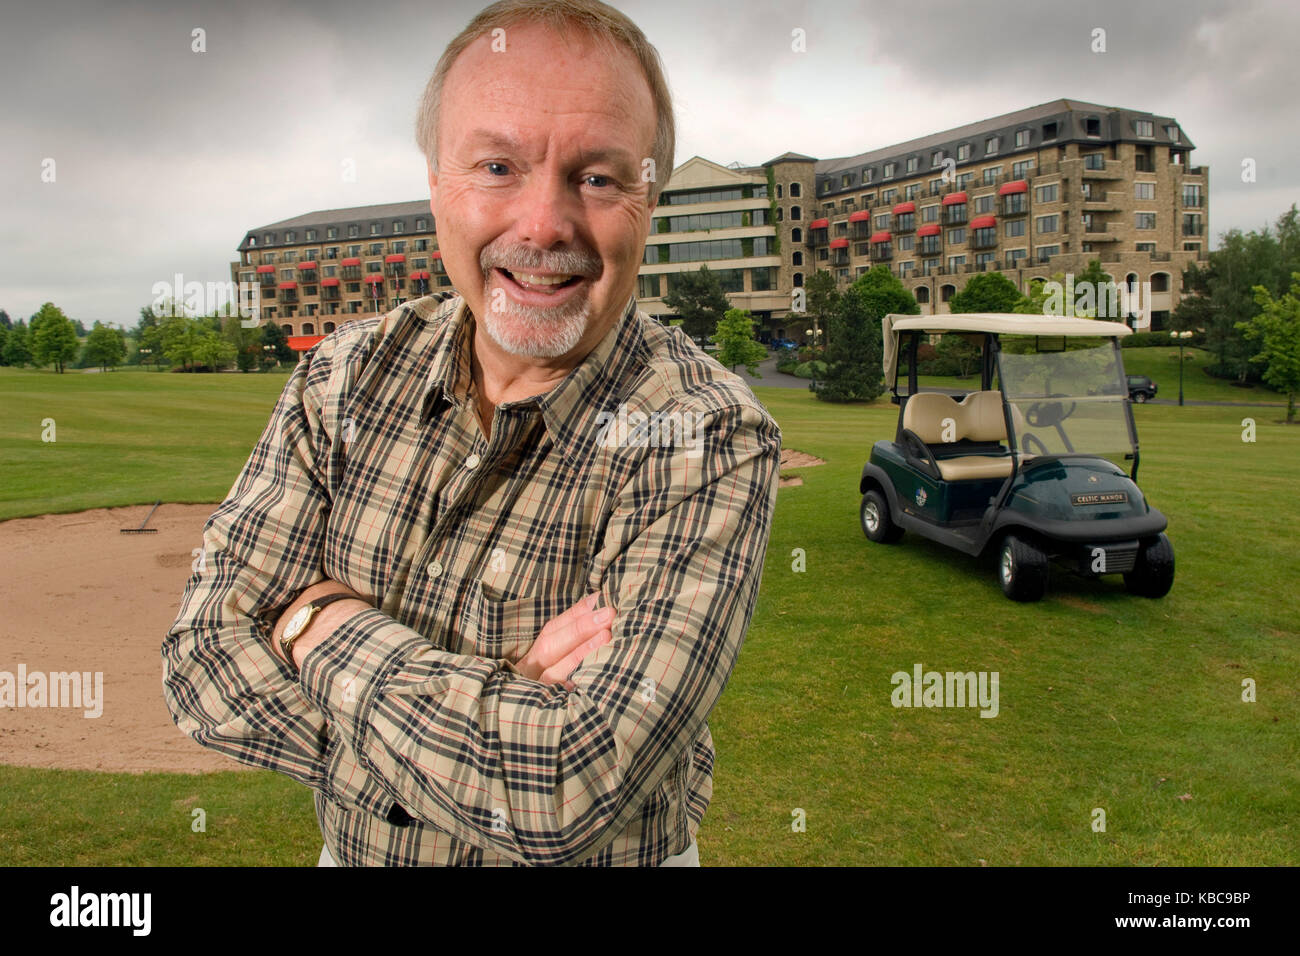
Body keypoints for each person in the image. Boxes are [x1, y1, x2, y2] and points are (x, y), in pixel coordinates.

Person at [162, 0, 781, 866]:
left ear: (651, 201)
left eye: (598, 178)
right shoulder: (344, 374)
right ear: (436, 186)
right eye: (497, 165)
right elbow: (202, 664)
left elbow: (565, 787)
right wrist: (495, 719)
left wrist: (316, 624)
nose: (542, 225)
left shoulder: (708, 434)